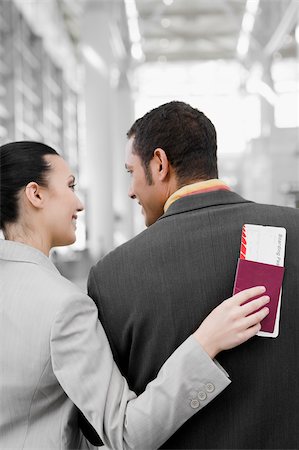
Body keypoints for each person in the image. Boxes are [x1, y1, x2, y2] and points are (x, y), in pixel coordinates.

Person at [0, 141, 269, 450]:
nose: (80, 204)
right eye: (71, 186)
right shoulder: (62, 306)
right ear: (35, 194)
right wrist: (206, 342)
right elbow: (127, 435)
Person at [88, 101, 299, 449]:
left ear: (159, 164)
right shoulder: (293, 230)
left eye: (131, 172)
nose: (130, 190)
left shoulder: (113, 276)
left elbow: (100, 426)